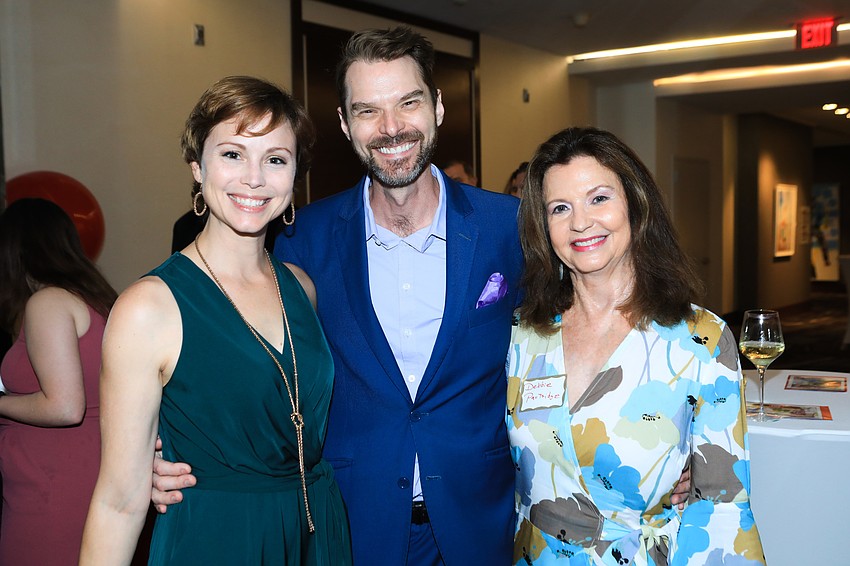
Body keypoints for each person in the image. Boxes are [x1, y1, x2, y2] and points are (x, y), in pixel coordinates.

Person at [80, 76, 352, 565]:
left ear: (295, 175)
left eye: (276, 159)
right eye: (232, 154)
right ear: (197, 167)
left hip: (318, 534)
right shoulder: (149, 307)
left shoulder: (301, 288)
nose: (254, 178)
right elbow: (118, 502)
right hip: (217, 539)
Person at [508, 127, 765, 565]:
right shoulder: (522, 333)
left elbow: (722, 507)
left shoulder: (700, 340)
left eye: (598, 198)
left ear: (635, 204)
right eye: (560, 208)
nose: (580, 222)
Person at [0, 197, 117, 566]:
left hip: (53, 484)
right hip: (86, 472)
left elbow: (64, 407)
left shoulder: (48, 302)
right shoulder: (98, 301)